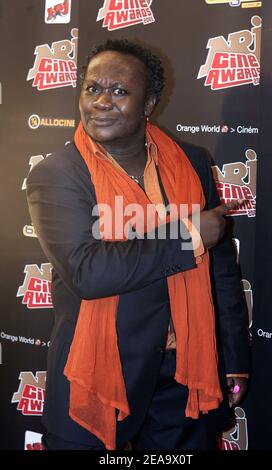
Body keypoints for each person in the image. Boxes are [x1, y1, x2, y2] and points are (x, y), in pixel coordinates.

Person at [26, 39, 249, 451]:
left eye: (119, 91)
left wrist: (233, 358)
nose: (101, 102)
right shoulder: (56, 175)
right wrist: (189, 235)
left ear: (149, 105)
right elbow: (89, 272)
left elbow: (220, 272)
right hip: (98, 371)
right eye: (92, 88)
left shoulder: (191, 161)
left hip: (185, 370)